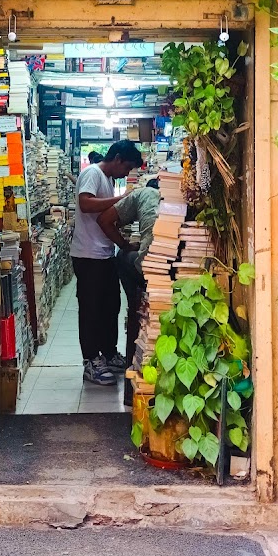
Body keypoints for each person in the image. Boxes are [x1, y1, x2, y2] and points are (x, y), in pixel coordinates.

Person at [70, 139, 144, 386]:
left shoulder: (108, 179)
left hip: (104, 254)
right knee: (91, 309)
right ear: (118, 159)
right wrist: (121, 200)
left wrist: (124, 243)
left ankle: (109, 353)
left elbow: (105, 219)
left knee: (110, 306)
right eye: (127, 167)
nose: (127, 173)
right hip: (87, 255)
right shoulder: (93, 173)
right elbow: (85, 203)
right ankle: (91, 361)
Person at [98, 178, 161, 404]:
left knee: (122, 257)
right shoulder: (175, 199)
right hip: (176, 265)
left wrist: (124, 244)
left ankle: (134, 303)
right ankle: (137, 303)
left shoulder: (141, 194)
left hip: (148, 267)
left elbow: (104, 219)